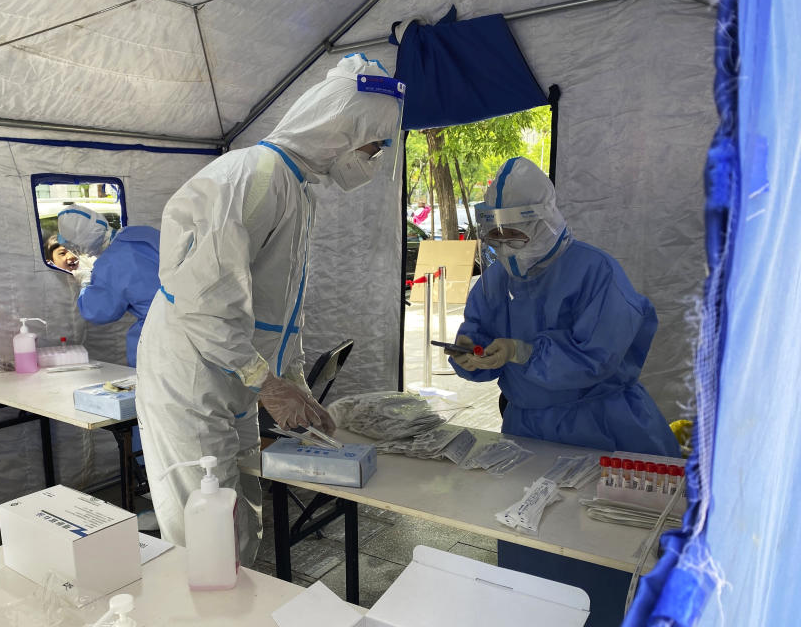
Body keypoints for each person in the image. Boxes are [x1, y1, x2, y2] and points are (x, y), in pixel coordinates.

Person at [136, 54, 404, 565]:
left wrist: (293, 380)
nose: (373, 158)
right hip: (192, 375)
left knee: (239, 514)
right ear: (341, 127)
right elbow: (205, 307)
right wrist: (270, 385)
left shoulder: (297, 187)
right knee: (204, 529)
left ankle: (234, 606)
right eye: (374, 145)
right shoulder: (250, 178)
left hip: (231, 375)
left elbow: (279, 311)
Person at [448, 156, 680, 458]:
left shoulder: (596, 272)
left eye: (515, 235)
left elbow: (597, 358)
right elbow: (481, 334)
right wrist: (471, 353)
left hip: (601, 424)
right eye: (496, 237)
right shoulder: (495, 282)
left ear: (543, 224)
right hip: (526, 427)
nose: (505, 247)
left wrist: (522, 351)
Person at [56, 206, 159, 368]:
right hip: (199, 316)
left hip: (160, 334)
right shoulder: (142, 233)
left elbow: (98, 311)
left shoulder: (109, 265)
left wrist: (86, 281)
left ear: (79, 245)